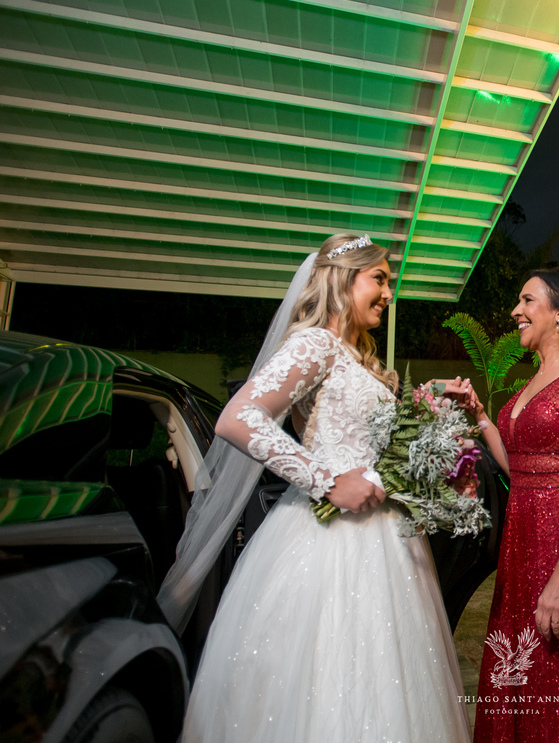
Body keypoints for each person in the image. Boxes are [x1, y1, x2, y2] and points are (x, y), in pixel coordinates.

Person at [177, 233, 470, 743]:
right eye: (379, 279)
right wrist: (326, 480)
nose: (388, 293)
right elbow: (238, 418)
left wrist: (429, 437)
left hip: (386, 541)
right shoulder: (315, 344)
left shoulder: (359, 357)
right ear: (343, 279)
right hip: (327, 541)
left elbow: (374, 443)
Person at [446, 266, 559, 743]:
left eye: (527, 300)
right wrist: (479, 415)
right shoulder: (527, 384)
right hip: (518, 555)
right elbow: (521, 471)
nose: (516, 310)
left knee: (557, 679)